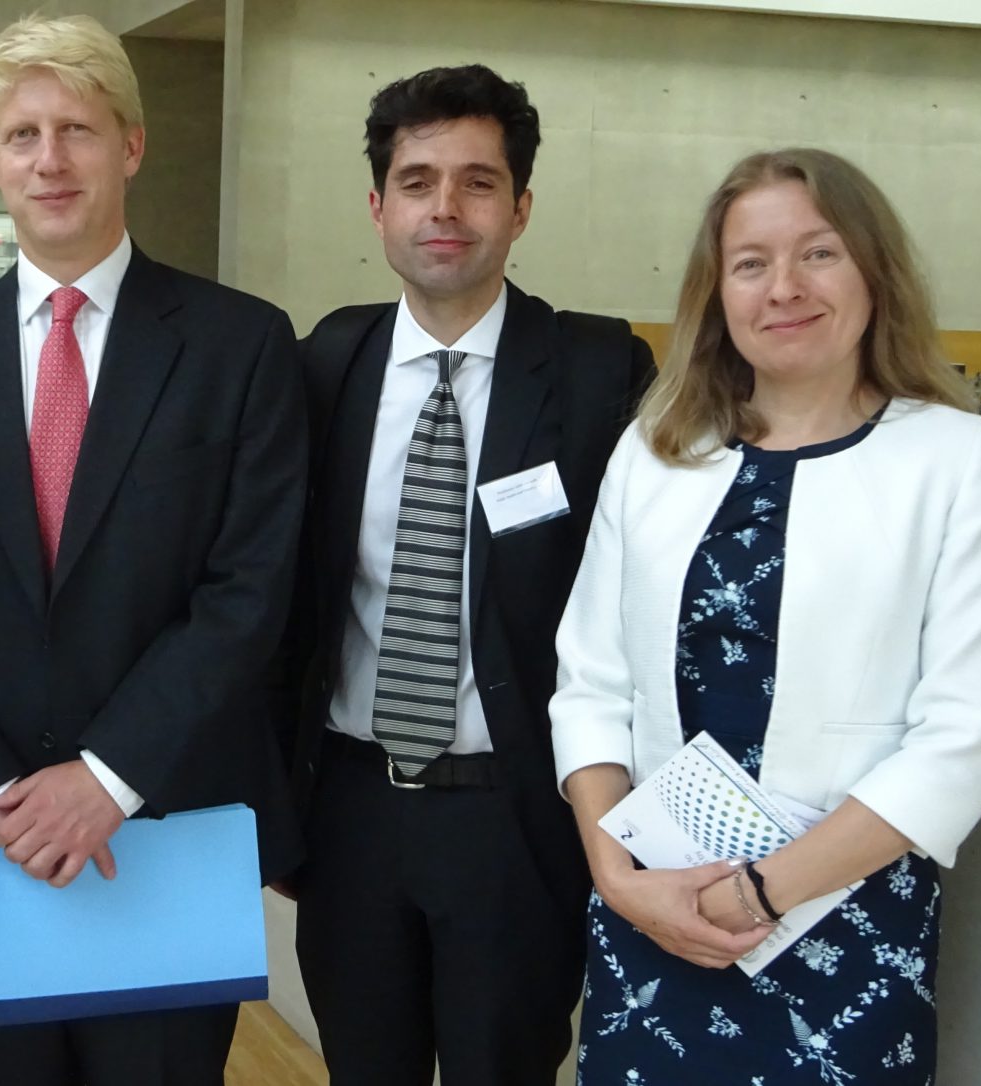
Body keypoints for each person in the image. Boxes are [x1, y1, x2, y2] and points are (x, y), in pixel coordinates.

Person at [0, 14, 304, 1086]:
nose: (49, 161)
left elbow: (248, 589)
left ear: (129, 145)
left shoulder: (239, 347)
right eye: (21, 134)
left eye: (78, 130)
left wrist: (104, 776)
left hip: (167, 823)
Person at [550, 148, 981, 1083]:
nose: (784, 288)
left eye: (819, 253)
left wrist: (758, 892)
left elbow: (959, 739)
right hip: (654, 913)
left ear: (874, 272)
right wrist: (619, 880)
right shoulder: (654, 454)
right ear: (717, 292)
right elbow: (591, 686)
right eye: (751, 262)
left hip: (843, 927)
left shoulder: (957, 461)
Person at [283, 65, 654, 1085]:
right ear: (376, 207)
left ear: (520, 207)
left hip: (514, 818)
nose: (443, 208)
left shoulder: (593, 373)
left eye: (476, 182)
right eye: (415, 181)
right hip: (351, 810)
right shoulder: (324, 364)